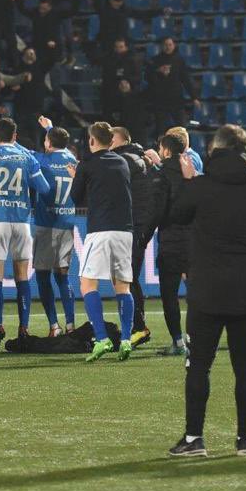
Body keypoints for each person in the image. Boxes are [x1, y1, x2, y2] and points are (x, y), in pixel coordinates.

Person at [166, 124, 246, 457]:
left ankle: (194, 438)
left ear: (215, 150)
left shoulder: (200, 187)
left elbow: (177, 214)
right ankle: (245, 439)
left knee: (198, 365)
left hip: (207, 289)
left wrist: (188, 181)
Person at [69, 121, 139, 362]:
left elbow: (75, 198)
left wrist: (77, 177)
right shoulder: (123, 162)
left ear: (91, 140)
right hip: (125, 231)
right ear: (111, 142)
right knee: (123, 287)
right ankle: (126, 339)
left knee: (87, 284)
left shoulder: (87, 164)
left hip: (100, 230)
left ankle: (101, 338)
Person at [0, 118, 50, 348]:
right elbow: (44, 188)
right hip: (22, 222)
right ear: (15, 136)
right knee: (22, 276)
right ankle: (24, 328)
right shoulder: (27, 157)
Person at [153, 132, 203, 356]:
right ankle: (197, 339)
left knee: (169, 295)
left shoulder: (162, 173)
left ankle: (178, 342)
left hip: (171, 242)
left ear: (166, 150)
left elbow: (157, 210)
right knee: (197, 293)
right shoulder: (194, 172)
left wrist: (143, 236)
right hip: (193, 242)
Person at [110, 126, 158, 348]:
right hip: (139, 225)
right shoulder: (139, 158)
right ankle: (136, 326)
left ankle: (138, 327)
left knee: (125, 277)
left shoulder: (123, 160)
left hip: (132, 226)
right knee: (128, 276)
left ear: (118, 140)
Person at [32, 116, 78, 337]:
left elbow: (23, 153)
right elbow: (61, 146)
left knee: (43, 276)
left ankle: (54, 326)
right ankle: (70, 325)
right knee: (63, 276)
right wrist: (50, 128)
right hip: (67, 224)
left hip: (46, 224)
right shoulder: (72, 159)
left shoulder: (42, 159)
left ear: (48, 142)